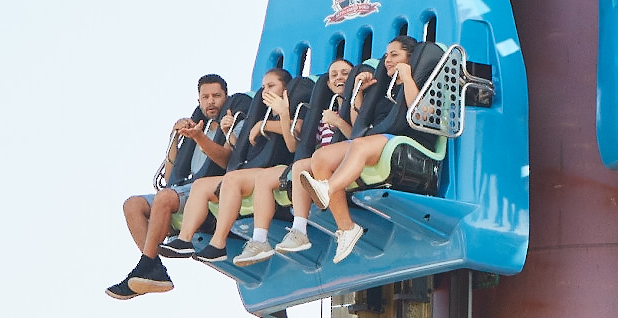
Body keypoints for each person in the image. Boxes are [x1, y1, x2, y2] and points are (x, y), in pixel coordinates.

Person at [294, 39, 431, 261]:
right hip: (373, 140)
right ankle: (347, 228)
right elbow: (359, 128)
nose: (388, 61)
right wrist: (359, 93)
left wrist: (407, 76)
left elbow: (423, 115)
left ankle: (327, 189)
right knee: (321, 157)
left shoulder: (422, 80)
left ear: (410, 58)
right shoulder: (383, 86)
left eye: (394, 55)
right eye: (386, 56)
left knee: (358, 146)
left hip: (405, 142)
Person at [106, 74, 236, 300]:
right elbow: (170, 177)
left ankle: (146, 266)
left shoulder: (229, 123)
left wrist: (199, 138)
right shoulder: (196, 126)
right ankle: (153, 267)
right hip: (183, 189)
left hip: (209, 190)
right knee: (133, 204)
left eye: (216, 96)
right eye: (205, 97)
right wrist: (176, 138)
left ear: (225, 96)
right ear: (199, 101)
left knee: (165, 198)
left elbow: (227, 161)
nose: (211, 101)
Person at [174, 69, 299, 264]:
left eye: (271, 86)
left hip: (279, 168)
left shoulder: (293, 111)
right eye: (264, 87)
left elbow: (294, 143)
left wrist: (269, 122)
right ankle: (184, 240)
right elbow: (243, 153)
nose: (265, 91)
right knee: (201, 185)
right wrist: (229, 133)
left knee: (232, 179)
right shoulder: (261, 114)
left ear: (285, 88)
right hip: (254, 169)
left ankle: (219, 243)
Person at [276, 55, 374, 255]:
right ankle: (299, 229)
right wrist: (285, 115)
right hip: (328, 157)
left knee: (320, 159)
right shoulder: (326, 113)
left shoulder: (354, 102)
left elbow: (359, 134)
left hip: (351, 153)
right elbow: (294, 146)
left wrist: (338, 122)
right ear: (329, 84)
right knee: (299, 167)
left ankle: (345, 226)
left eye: (345, 73)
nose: (340, 77)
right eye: (334, 75)